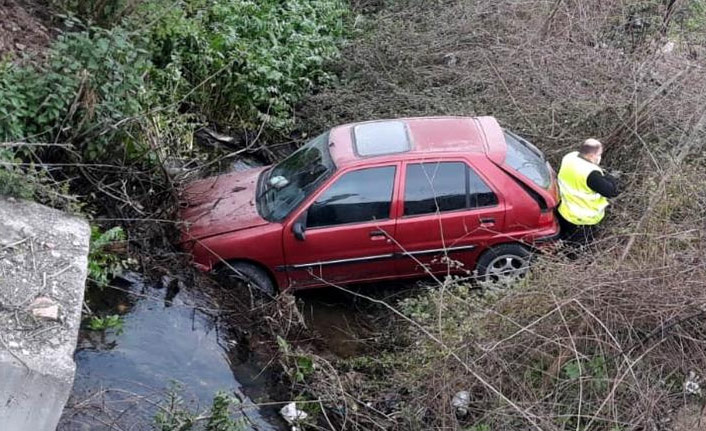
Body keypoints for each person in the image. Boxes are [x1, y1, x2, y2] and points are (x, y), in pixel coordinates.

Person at [556, 138, 619, 247]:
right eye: (599, 154)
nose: (600, 157)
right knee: (578, 248)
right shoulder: (591, 174)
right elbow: (611, 191)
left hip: (564, 211)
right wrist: (611, 177)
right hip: (583, 220)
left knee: (566, 241)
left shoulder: (569, 157)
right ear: (591, 156)